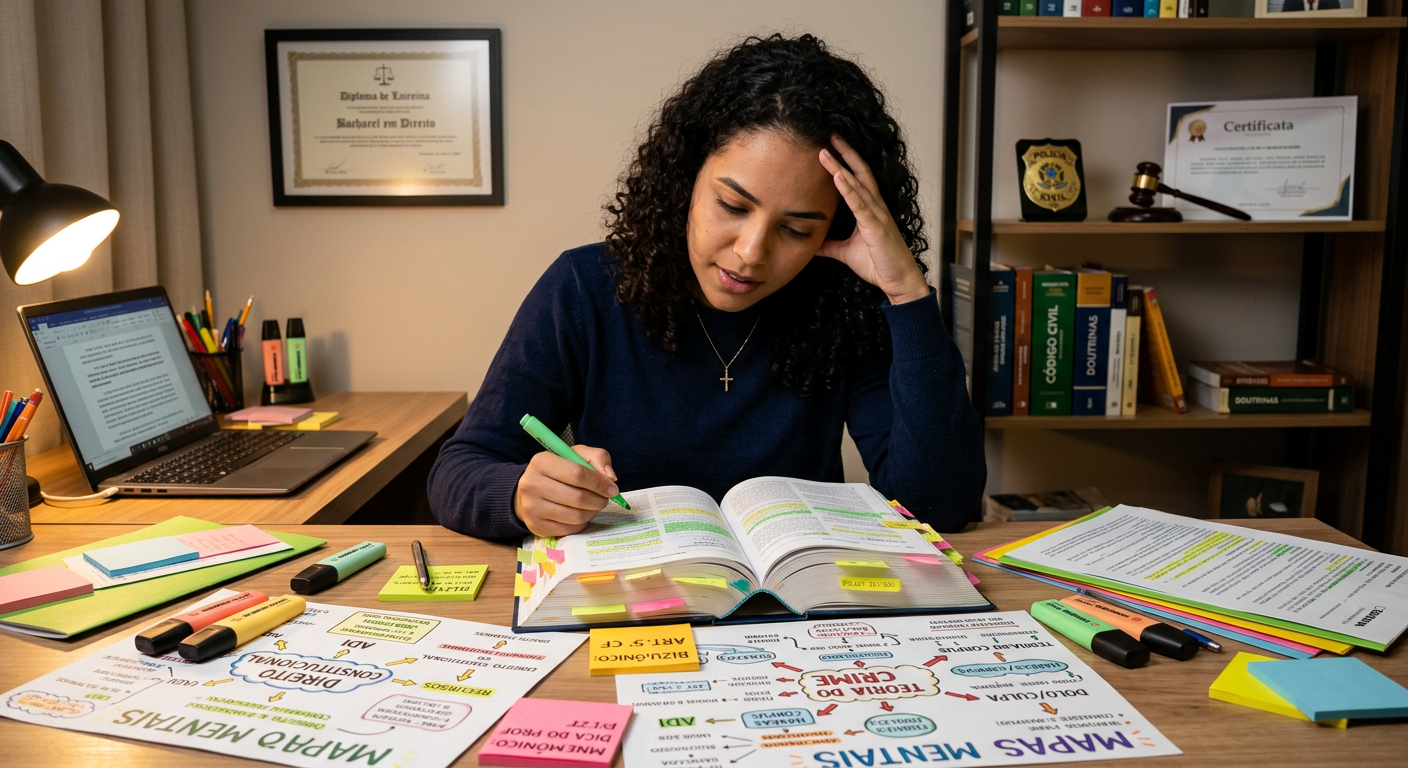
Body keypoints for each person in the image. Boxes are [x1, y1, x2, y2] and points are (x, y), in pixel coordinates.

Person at [428, 34, 984, 540]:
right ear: (686, 177)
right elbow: (460, 467)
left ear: (835, 229)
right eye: (732, 205)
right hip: (631, 608)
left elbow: (938, 505)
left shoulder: (840, 299)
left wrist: (907, 292)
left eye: (796, 229)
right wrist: (521, 497)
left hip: (791, 611)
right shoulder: (584, 287)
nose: (751, 252)